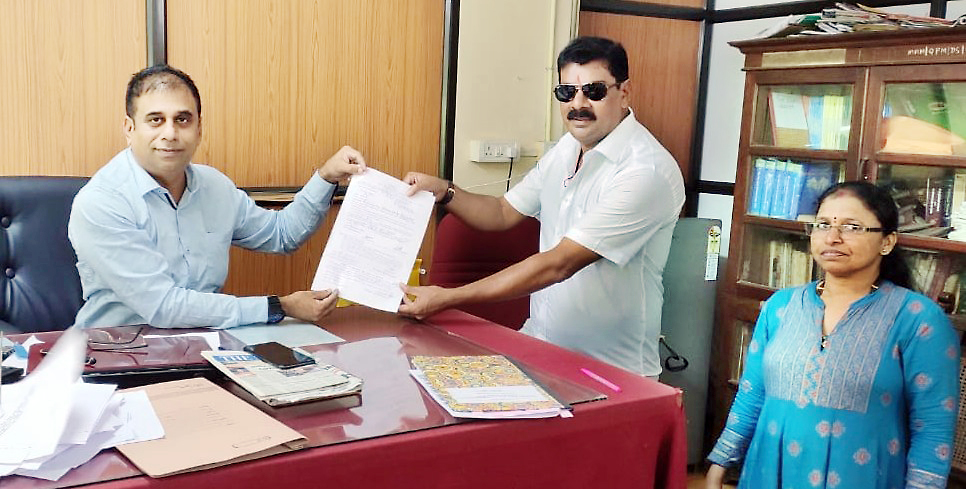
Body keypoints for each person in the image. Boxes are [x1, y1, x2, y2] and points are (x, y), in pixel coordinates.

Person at [399, 36, 685, 377]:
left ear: (624, 92)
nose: (578, 105)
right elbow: (502, 212)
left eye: (593, 91)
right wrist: (444, 190)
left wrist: (447, 298)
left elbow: (559, 264)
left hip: (611, 371)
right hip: (539, 347)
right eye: (566, 92)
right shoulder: (567, 148)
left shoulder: (645, 171)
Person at [68, 65, 366, 329]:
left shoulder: (215, 187)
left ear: (199, 129)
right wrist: (279, 306)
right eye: (156, 120)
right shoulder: (102, 202)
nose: (170, 133)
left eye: (183, 119)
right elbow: (164, 307)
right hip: (119, 355)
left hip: (206, 345)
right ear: (129, 128)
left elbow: (282, 235)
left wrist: (327, 177)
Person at [706, 181, 960, 489]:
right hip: (769, 474)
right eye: (823, 224)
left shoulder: (918, 319)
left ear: (887, 242)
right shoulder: (780, 307)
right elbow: (752, 395)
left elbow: (933, 427)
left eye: (852, 227)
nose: (832, 237)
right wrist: (720, 463)